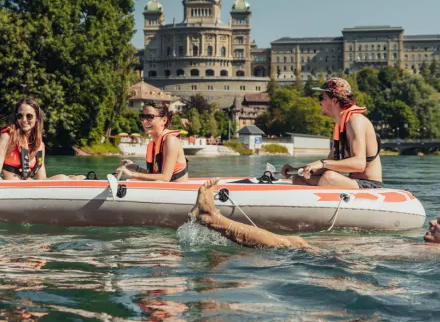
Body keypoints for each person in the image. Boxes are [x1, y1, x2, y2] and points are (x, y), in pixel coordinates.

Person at [190, 179, 440, 250]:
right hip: (347, 257)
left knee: (294, 242)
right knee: (291, 243)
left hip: (340, 262)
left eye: (439, 222)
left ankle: (213, 219)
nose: (432, 220)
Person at [282, 77, 383, 189]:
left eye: (321, 97)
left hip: (370, 185)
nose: (319, 101)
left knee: (329, 177)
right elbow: (330, 165)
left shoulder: (356, 121)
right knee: (298, 178)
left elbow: (359, 164)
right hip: (353, 182)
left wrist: (322, 163)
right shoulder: (340, 125)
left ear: (334, 100)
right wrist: (297, 170)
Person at [0, 98, 84, 181]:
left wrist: (68, 179)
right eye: (20, 116)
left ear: (37, 118)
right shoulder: (7, 138)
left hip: (30, 187)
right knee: (63, 178)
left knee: (76, 177)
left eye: (29, 116)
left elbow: (42, 179)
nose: (24, 120)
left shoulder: (40, 145)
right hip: (12, 188)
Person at [116, 101, 189, 182]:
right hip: (163, 191)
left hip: (176, 192)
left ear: (164, 120)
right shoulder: (153, 143)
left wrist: (131, 174)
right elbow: (154, 174)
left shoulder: (170, 141)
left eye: (150, 117)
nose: (144, 121)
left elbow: (165, 177)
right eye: (142, 116)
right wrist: (135, 167)